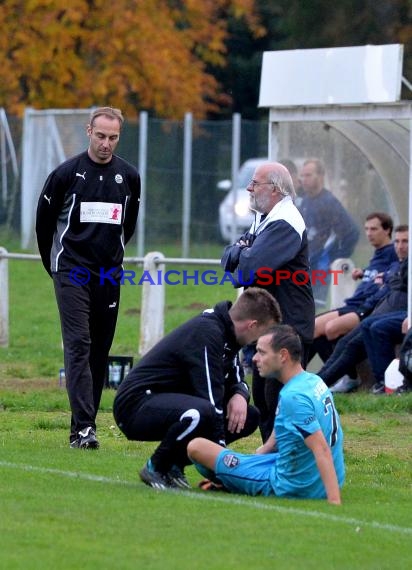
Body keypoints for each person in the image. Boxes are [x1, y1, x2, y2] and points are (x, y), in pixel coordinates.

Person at [36, 107, 141, 449]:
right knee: (79, 344)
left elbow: (128, 226)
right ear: (88, 131)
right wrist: (54, 265)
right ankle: (84, 429)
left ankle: (83, 425)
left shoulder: (130, 176)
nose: (106, 143)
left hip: (108, 274)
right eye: (100, 136)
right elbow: (44, 222)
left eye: (113, 137)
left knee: (99, 350)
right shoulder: (66, 174)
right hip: (71, 270)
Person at [113, 287, 282, 490]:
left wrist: (239, 394)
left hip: (170, 401)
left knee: (249, 416)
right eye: (263, 333)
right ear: (252, 325)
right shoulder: (208, 331)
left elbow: (237, 379)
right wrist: (221, 462)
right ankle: (156, 466)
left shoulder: (229, 335)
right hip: (135, 405)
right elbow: (211, 396)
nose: (259, 342)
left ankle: (174, 465)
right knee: (202, 412)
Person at [188, 325, 344, 505]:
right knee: (241, 459)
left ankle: (230, 480)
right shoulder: (312, 381)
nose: (254, 358)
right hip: (322, 476)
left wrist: (334, 501)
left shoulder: (293, 397)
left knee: (196, 447)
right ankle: (234, 476)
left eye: (261, 352)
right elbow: (289, 424)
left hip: (294, 485)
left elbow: (321, 448)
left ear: (283, 355)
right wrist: (262, 452)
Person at [221, 161, 315, 443]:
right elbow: (228, 258)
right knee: (263, 398)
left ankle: (290, 461)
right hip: (271, 326)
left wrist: (245, 252)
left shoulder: (285, 221)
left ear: (274, 189)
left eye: (255, 183)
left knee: (279, 400)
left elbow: (250, 269)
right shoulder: (264, 217)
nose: (248, 189)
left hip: (290, 326)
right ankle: (273, 464)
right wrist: (244, 251)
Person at [310, 212, 398, 366]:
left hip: (366, 307)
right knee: (313, 328)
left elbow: (391, 276)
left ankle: (345, 375)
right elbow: (376, 274)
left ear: (387, 230)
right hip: (353, 303)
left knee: (326, 328)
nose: (369, 234)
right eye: (367, 229)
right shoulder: (378, 253)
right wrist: (364, 273)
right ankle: (304, 374)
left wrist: (379, 277)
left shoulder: (393, 252)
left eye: (374, 229)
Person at [317, 255, 408, 394]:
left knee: (349, 337)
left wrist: (363, 310)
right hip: (374, 311)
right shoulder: (393, 263)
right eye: (398, 241)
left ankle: (318, 386)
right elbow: (392, 283)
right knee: (340, 340)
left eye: (405, 241)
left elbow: (396, 283)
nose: (400, 246)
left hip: (371, 312)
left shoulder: (392, 259)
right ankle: (314, 383)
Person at [299, 158, 360, 307]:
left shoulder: (329, 202)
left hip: (321, 266)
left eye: (308, 175)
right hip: (307, 264)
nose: (304, 180)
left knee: (316, 308)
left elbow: (352, 232)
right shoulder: (305, 201)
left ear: (320, 176)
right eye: (302, 176)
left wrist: (337, 257)